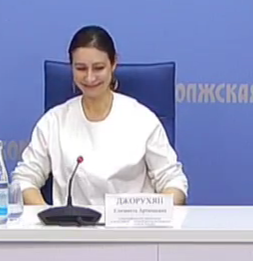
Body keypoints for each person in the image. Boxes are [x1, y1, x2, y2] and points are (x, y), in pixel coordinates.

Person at [14, 25, 187, 207]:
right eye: (81, 68)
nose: (90, 78)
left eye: (98, 68)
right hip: (71, 224)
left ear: (113, 64)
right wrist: (45, 215)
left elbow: (174, 182)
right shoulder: (54, 121)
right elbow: (24, 179)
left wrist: (157, 213)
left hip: (133, 224)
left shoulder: (142, 119)